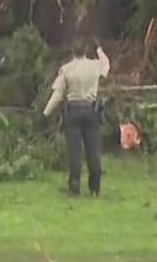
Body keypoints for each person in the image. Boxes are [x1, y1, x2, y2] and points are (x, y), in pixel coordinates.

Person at [42, 38, 110, 197]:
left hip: (73, 112)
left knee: (75, 151)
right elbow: (106, 64)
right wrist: (99, 48)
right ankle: (95, 188)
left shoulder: (66, 69)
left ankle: (74, 187)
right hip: (91, 111)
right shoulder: (95, 66)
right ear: (86, 50)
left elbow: (57, 95)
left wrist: (46, 112)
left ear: (72, 51)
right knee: (93, 150)